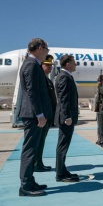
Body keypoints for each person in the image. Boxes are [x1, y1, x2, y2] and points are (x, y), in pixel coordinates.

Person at [18, 38, 52, 196]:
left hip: (34, 114)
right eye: (46, 49)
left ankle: (30, 181)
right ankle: (25, 185)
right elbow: (32, 92)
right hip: (33, 115)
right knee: (30, 149)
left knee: (32, 148)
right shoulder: (31, 65)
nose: (47, 52)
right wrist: (40, 114)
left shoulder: (32, 64)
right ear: (39, 48)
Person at [55, 55, 79, 182]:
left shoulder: (65, 76)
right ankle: (60, 174)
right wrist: (67, 117)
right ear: (68, 64)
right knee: (63, 145)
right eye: (74, 63)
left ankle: (62, 170)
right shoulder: (64, 77)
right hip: (66, 117)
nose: (75, 65)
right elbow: (63, 99)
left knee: (64, 144)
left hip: (67, 116)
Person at [34, 54, 57, 172]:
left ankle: (39, 162)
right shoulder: (39, 79)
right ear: (41, 65)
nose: (50, 68)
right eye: (47, 65)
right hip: (41, 117)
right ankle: (36, 164)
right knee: (38, 141)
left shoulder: (47, 80)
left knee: (42, 141)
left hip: (47, 116)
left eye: (51, 66)